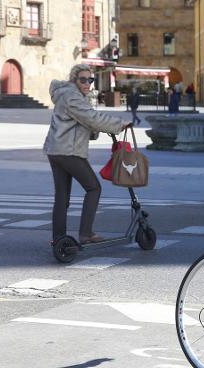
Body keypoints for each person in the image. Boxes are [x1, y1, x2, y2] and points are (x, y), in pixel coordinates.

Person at [43, 64, 131, 244]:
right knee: (93, 188)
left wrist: (94, 129)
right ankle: (86, 233)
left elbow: (81, 122)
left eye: (90, 80)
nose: (87, 83)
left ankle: (58, 239)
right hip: (68, 152)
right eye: (82, 79)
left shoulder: (66, 95)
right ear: (73, 80)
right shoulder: (72, 96)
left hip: (56, 151)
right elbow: (91, 118)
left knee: (62, 197)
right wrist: (118, 124)